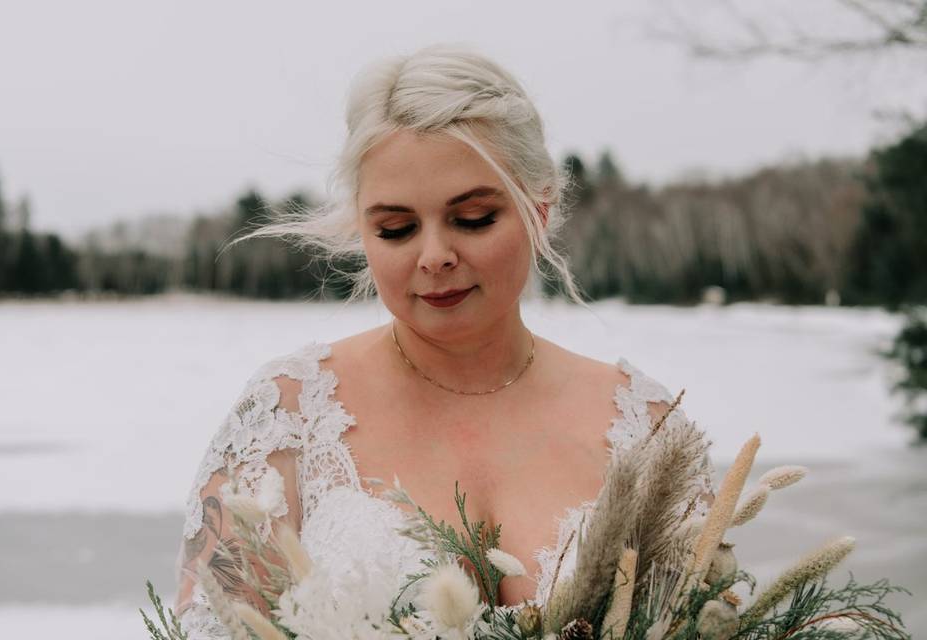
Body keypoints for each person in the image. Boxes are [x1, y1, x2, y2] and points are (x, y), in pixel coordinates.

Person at [173, 44, 713, 639]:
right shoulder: (287, 418)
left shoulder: (645, 427)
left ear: (539, 209)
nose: (435, 257)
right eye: (397, 229)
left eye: (473, 218)